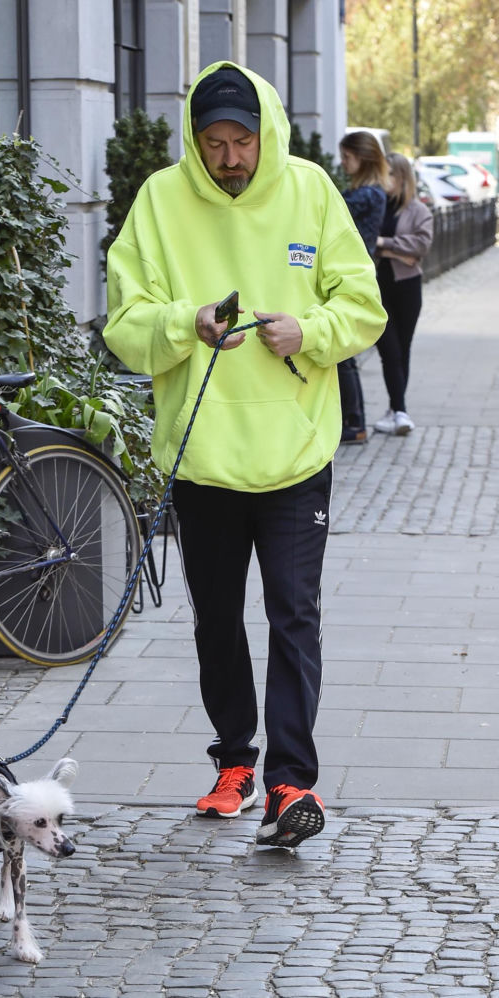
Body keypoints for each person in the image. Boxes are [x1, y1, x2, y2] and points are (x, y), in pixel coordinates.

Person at [103, 63, 386, 849]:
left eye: (242, 141)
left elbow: (362, 306)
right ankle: (234, 759)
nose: (230, 157)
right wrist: (180, 323)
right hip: (202, 456)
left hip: (294, 453)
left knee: (295, 615)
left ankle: (291, 781)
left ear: (266, 134)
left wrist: (310, 332)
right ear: (195, 143)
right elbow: (122, 324)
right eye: (214, 143)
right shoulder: (160, 201)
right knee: (218, 620)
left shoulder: (311, 191)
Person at [373, 153, 433, 435]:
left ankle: (396, 410)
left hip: (407, 287)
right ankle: (400, 411)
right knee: (390, 351)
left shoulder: (418, 210)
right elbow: (364, 241)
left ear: (401, 177)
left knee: (403, 350)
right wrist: (397, 250)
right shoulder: (377, 205)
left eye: (389, 175)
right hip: (378, 288)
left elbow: (420, 246)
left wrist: (385, 243)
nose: (384, 180)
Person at [337, 130, 389, 444]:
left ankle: (355, 422)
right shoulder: (367, 192)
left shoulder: (366, 195)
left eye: (347, 157)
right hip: (357, 270)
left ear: (363, 158)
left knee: (345, 356)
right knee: (345, 355)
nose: (342, 163)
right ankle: (353, 421)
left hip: (352, 273)